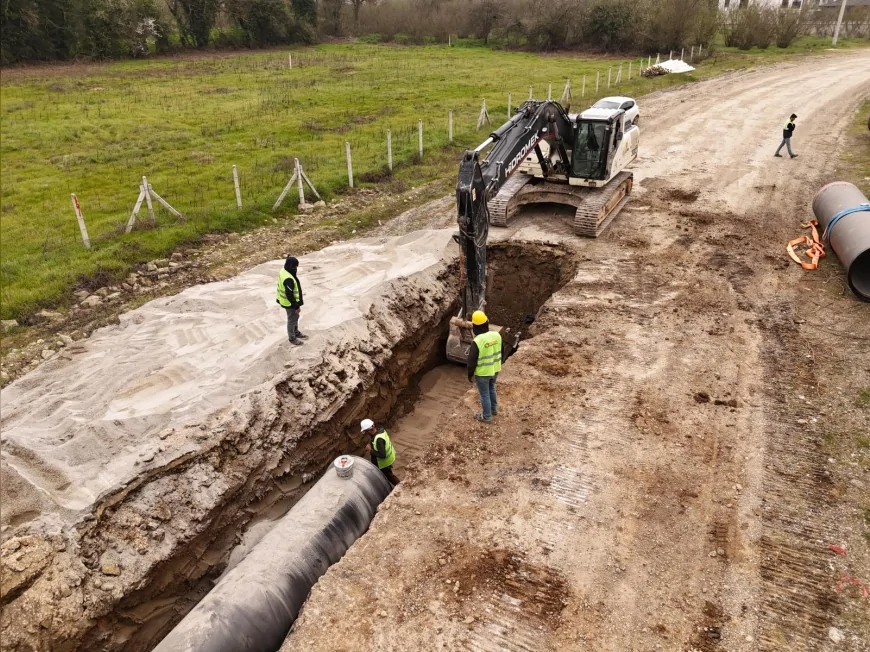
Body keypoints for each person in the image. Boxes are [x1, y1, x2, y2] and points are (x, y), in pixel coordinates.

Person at [466, 310, 502, 424]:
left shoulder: (477, 341)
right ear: (487, 323)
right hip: (495, 369)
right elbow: (502, 351)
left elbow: (471, 361)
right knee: (492, 388)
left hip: (482, 373)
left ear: (475, 327)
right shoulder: (497, 335)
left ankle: (487, 416)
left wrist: (469, 375)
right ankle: (494, 409)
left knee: (484, 394)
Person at [276, 256, 307, 346]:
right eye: (295, 266)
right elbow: (289, 294)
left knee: (295, 317)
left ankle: (296, 332)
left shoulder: (284, 270)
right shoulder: (289, 279)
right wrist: (296, 306)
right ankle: (292, 338)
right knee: (292, 319)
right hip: (289, 303)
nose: (296, 268)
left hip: (287, 301)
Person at [361, 419, 399, 486]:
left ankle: (400, 486)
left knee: (389, 476)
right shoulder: (380, 430)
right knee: (387, 475)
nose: (366, 434)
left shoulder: (379, 440)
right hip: (388, 459)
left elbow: (382, 455)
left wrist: (370, 450)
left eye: (366, 432)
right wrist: (371, 444)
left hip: (384, 463)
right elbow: (374, 439)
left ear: (369, 430)